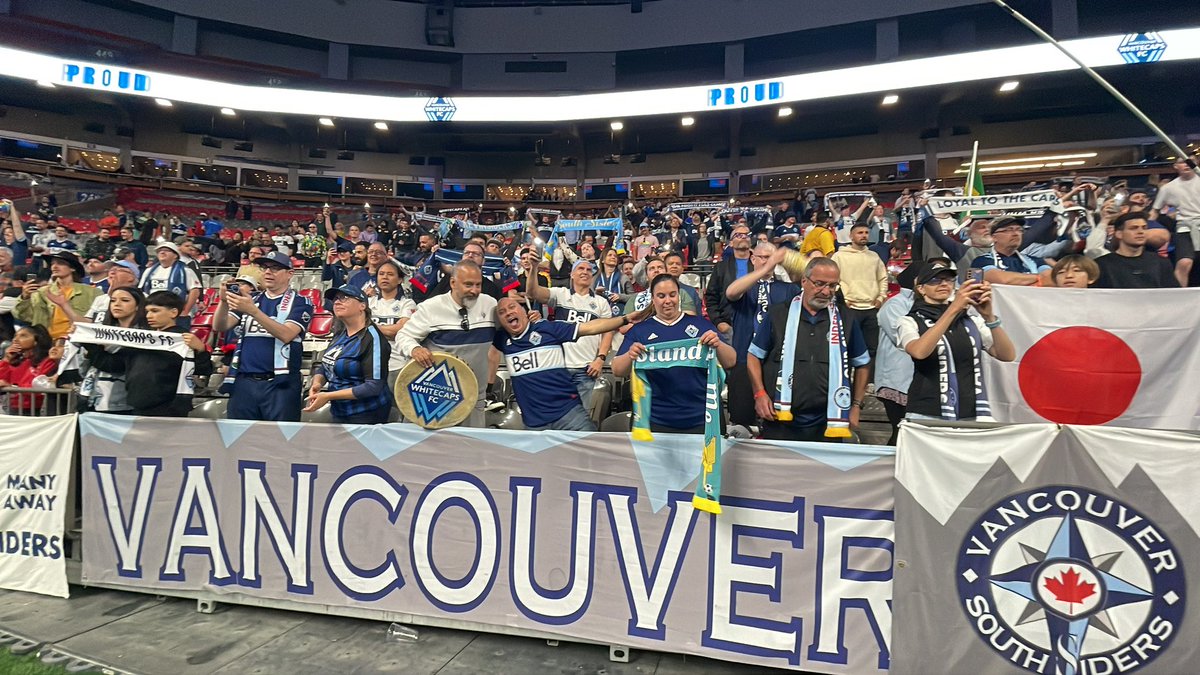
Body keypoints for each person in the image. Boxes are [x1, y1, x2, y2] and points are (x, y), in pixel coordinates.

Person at [747, 258, 870, 442]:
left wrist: (856, 406)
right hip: (779, 419)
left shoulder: (846, 319)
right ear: (804, 281)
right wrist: (760, 394)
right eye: (819, 284)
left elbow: (862, 363)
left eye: (832, 286)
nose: (826, 291)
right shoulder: (778, 314)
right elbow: (753, 356)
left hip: (828, 422)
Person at [495, 296, 644, 431]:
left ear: (524, 310)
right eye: (502, 312)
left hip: (570, 415)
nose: (508, 313)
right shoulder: (501, 339)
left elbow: (591, 327)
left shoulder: (548, 328)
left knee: (591, 458)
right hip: (534, 424)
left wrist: (625, 319)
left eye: (512, 307)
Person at [611, 274, 736, 434]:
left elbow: (730, 360)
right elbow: (617, 370)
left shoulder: (700, 325)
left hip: (701, 418)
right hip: (655, 420)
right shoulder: (640, 331)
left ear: (679, 295)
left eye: (672, 294)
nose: (667, 301)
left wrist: (718, 344)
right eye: (661, 296)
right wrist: (630, 354)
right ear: (653, 299)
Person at [897, 261, 1015, 421]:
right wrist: (953, 309)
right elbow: (919, 352)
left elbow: (1007, 355)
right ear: (921, 288)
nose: (943, 284)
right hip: (926, 411)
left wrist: (989, 317)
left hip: (970, 411)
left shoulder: (969, 320)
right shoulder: (909, 321)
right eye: (935, 280)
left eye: (948, 280)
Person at [395, 260, 498, 427]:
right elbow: (403, 336)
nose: (474, 290)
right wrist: (414, 349)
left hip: (473, 398)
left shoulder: (490, 304)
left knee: (469, 449)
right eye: (468, 285)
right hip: (437, 398)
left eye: (478, 285)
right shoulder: (431, 307)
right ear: (453, 283)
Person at [213, 251, 314, 421]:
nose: (268, 272)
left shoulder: (301, 302)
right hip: (245, 381)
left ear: (290, 273)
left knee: (279, 439)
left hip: (280, 383)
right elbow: (220, 326)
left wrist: (253, 311)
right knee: (239, 438)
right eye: (265, 268)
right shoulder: (251, 298)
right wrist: (223, 302)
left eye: (275, 268)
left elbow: (286, 334)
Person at [524, 259, 614, 412]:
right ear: (572, 274)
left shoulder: (601, 303)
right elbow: (532, 293)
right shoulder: (560, 294)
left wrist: (601, 359)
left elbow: (608, 332)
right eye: (580, 268)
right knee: (555, 414)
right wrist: (533, 268)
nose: (585, 272)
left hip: (586, 370)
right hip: (559, 367)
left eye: (588, 270)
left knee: (579, 418)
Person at [306, 285, 394, 424]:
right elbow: (325, 365)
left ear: (362, 306)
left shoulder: (373, 338)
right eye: (335, 299)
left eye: (344, 298)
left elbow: (373, 386)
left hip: (366, 415)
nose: (337, 302)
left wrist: (329, 396)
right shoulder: (340, 334)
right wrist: (317, 383)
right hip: (340, 411)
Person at [123, 291, 212, 417]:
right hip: (137, 405)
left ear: (173, 312)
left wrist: (201, 350)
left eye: (155, 311)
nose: (149, 316)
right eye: (147, 311)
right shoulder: (142, 338)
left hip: (169, 409)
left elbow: (204, 370)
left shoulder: (184, 339)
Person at [59, 286, 146, 414]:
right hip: (91, 397)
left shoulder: (143, 336)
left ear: (138, 306)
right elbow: (84, 367)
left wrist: (89, 345)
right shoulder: (97, 331)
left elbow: (114, 365)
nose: (117, 304)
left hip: (122, 403)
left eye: (125, 300)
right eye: (113, 300)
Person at [831, 222, 888, 363]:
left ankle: (869, 382)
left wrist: (881, 297)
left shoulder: (874, 256)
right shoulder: (839, 256)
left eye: (866, 233)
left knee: (872, 349)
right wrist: (842, 299)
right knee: (848, 348)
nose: (864, 235)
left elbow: (883, 278)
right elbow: (832, 280)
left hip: (872, 308)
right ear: (851, 236)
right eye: (860, 233)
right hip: (850, 308)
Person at [14, 252, 101, 341]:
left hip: (77, 341)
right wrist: (25, 297)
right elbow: (23, 316)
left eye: (60, 263)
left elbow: (100, 321)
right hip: (47, 342)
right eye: (52, 264)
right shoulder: (41, 292)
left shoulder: (92, 292)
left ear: (72, 268)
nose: (54, 267)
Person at [1095, 212, 1179, 289]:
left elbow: (1173, 294)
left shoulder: (1161, 263)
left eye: (1144, 228)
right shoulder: (1102, 265)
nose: (1140, 232)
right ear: (1119, 234)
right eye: (1133, 228)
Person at [1149, 157, 1200, 286]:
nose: (1187, 165)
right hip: (1184, 227)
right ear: (1176, 166)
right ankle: (1179, 296)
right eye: (1182, 162)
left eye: (1190, 161)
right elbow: (1155, 210)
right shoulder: (1168, 188)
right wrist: (1147, 227)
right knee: (1184, 262)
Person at [367, 260, 417, 391]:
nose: (385, 277)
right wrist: (388, 330)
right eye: (381, 274)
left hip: (398, 365)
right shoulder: (367, 302)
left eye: (390, 274)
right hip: (370, 366)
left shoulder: (408, 303)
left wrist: (370, 327)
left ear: (400, 280)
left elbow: (401, 330)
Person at [705, 222, 753, 340]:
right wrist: (719, 323)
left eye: (746, 235)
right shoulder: (721, 267)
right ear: (731, 242)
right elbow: (711, 297)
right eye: (738, 235)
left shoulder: (760, 265)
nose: (743, 237)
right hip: (730, 325)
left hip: (755, 324)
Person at [970, 217, 1052, 286]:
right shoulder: (979, 262)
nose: (1016, 233)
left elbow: (1052, 279)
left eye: (1019, 230)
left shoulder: (1036, 260)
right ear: (994, 237)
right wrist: (1039, 278)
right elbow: (1003, 280)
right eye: (1009, 230)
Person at [0, 325, 57, 411]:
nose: (15, 339)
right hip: (11, 408)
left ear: (36, 341)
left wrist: (12, 387)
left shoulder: (47, 361)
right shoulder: (16, 361)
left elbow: (40, 386)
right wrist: (6, 359)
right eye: (15, 336)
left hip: (36, 411)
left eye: (23, 336)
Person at [139, 242, 201, 319]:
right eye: (159, 251)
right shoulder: (149, 271)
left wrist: (185, 311)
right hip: (152, 312)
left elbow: (195, 291)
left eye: (166, 250)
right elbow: (142, 291)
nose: (162, 252)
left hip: (176, 313)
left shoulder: (186, 271)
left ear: (175, 255)